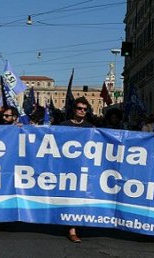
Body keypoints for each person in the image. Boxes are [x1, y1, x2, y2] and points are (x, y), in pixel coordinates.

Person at [59, 97, 95, 243]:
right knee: (69, 196)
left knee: (79, 197)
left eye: (85, 109)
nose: (82, 111)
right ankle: (71, 230)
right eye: (79, 108)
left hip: (83, 167)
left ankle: (74, 225)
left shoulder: (91, 128)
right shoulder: (63, 125)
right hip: (66, 166)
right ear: (74, 110)